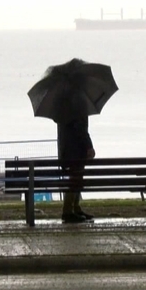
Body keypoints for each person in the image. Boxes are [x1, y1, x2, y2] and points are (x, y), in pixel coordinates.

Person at [56, 95, 95, 223]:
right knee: (75, 180)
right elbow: (80, 128)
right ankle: (68, 210)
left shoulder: (62, 106)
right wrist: (89, 146)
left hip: (67, 150)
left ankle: (74, 208)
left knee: (76, 179)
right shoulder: (77, 104)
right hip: (76, 150)